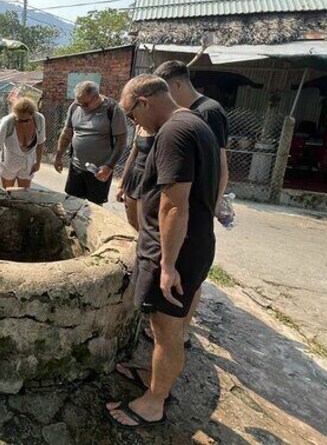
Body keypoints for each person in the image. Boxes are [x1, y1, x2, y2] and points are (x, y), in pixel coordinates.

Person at [107, 75, 220, 430]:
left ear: (143, 101)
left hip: (174, 252)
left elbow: (174, 205)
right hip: (193, 243)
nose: (132, 122)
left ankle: (153, 403)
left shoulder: (173, 132)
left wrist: (168, 264)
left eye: (131, 113)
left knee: (167, 331)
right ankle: (153, 378)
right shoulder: (194, 123)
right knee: (165, 330)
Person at [153, 60, 230, 344]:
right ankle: (179, 328)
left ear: (176, 85)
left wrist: (213, 205)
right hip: (186, 204)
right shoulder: (189, 114)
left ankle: (182, 331)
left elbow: (221, 164)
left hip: (194, 207)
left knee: (188, 275)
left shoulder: (208, 112)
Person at [54, 81, 127, 205]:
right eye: (78, 102)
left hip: (99, 171)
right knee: (71, 204)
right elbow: (67, 133)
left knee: (94, 209)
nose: (81, 106)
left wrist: (109, 166)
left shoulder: (112, 109)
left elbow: (121, 141)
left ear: (96, 98)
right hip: (76, 167)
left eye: (85, 104)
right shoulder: (75, 107)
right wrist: (58, 156)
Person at [0, 97, 46, 190]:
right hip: (9, 163)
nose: (23, 124)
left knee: (23, 196)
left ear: (32, 115)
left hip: (28, 163)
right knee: (7, 194)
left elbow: (41, 142)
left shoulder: (39, 120)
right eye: (19, 120)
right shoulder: (7, 122)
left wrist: (38, 163)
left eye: (27, 120)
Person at [115, 124, 155, 231]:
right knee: (132, 222)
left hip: (149, 178)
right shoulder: (139, 128)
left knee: (144, 224)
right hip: (134, 177)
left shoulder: (161, 128)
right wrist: (121, 184)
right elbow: (132, 157)